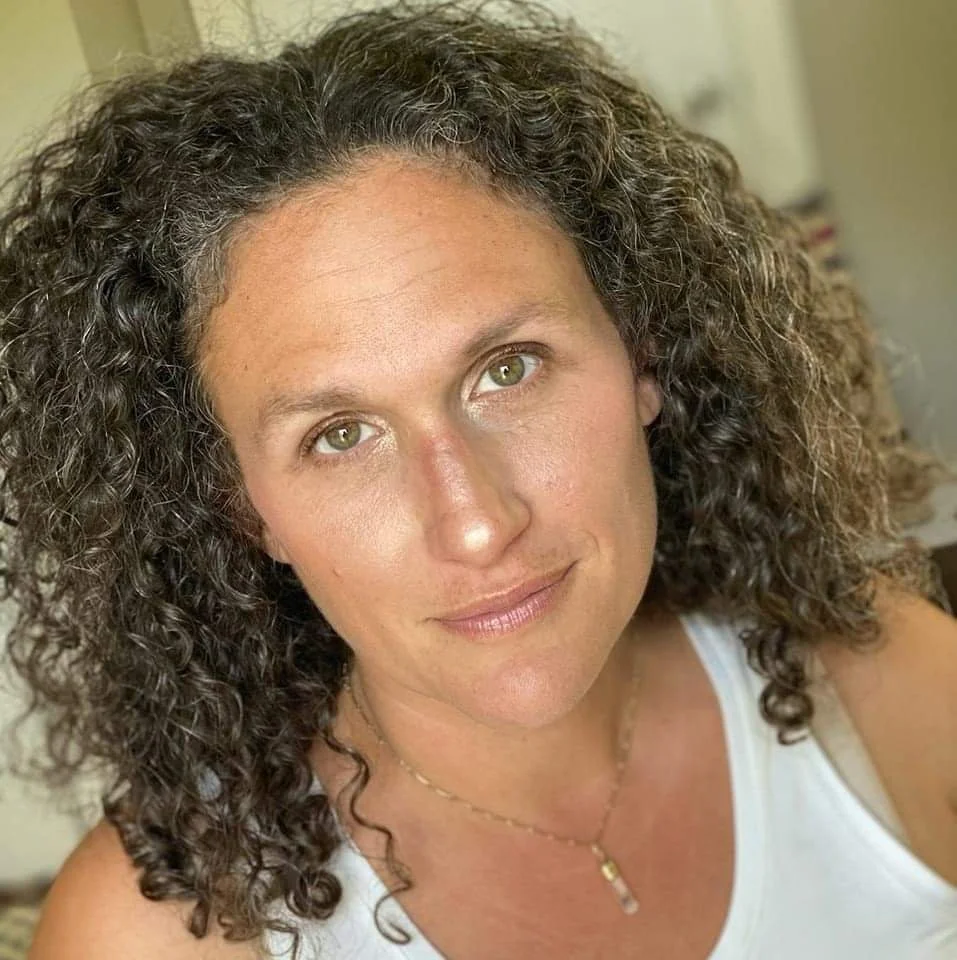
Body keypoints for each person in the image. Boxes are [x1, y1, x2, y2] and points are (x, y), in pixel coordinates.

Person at [2, 2, 956, 957]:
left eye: (508, 369)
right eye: (340, 436)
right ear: (244, 509)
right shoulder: (165, 929)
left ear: (642, 358)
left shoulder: (876, 691)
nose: (474, 524)